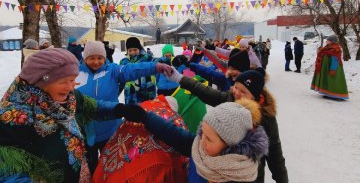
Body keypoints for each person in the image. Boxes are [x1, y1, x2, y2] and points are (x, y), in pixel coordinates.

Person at [0, 48, 130, 182]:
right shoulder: (12, 117)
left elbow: (92, 107)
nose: (70, 87)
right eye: (63, 82)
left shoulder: (70, 97)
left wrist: (121, 109)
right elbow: (9, 172)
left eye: (73, 80)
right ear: (41, 80)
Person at [165, 68, 289, 183]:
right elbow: (206, 92)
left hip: (249, 177)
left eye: (243, 91)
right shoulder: (230, 99)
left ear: (255, 96)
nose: (237, 93)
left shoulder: (266, 119)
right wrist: (179, 78)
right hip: (222, 172)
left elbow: (276, 156)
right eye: (236, 87)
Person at [75, 40, 172, 173]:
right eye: (91, 58)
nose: (96, 62)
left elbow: (134, 69)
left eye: (99, 58)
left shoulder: (112, 71)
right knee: (90, 169)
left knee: (110, 169)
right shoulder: (75, 73)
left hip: (110, 131)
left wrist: (156, 67)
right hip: (84, 134)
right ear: (85, 58)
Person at [120, 99, 268, 182]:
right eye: (202, 133)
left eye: (209, 139)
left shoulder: (239, 175)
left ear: (229, 146)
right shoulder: (198, 147)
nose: (202, 141)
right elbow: (173, 134)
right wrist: (145, 117)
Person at [93, 95, 188, 183]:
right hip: (152, 170)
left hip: (120, 162)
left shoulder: (144, 105)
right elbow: (183, 154)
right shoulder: (175, 120)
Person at [119, 37, 157, 104]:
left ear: (139, 49)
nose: (132, 52)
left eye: (135, 50)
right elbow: (120, 79)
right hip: (130, 97)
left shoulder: (147, 58)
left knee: (145, 113)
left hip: (146, 95)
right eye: (130, 50)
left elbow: (157, 63)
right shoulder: (124, 62)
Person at [311, 35, 349, 100]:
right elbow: (323, 54)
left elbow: (335, 60)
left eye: (328, 40)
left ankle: (338, 96)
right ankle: (328, 93)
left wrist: (333, 69)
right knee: (327, 80)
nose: (326, 41)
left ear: (332, 41)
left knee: (334, 81)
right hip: (326, 68)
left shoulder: (335, 49)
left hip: (333, 68)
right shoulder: (327, 47)